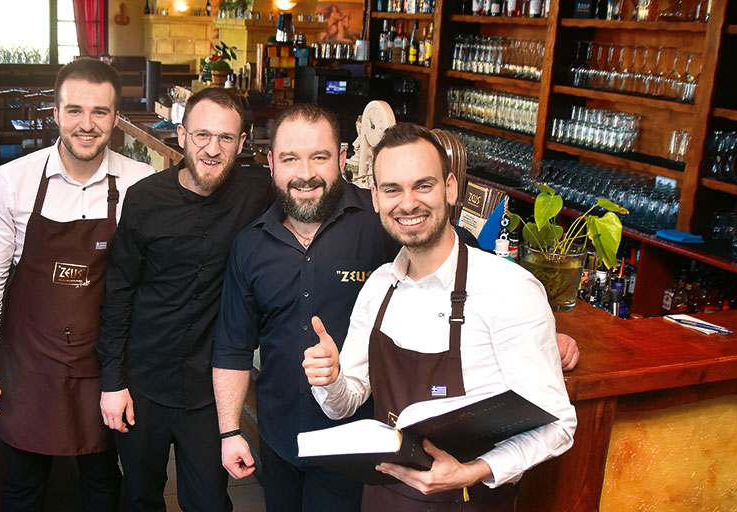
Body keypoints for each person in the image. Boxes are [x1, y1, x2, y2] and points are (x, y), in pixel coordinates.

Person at [212, 104, 578, 512]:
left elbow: (557, 423)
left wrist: (474, 470)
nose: (407, 205)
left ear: (451, 188)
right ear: (378, 197)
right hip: (371, 483)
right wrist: (329, 378)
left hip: (457, 498)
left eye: (423, 185)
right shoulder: (379, 287)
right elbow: (339, 395)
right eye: (392, 190)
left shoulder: (506, 289)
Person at [0, 58, 154, 511]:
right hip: (29, 361)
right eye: (74, 111)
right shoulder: (11, 182)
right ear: (55, 113)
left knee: (102, 481)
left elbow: (151, 288)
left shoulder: (141, 185)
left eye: (100, 112)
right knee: (23, 483)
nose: (86, 125)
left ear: (116, 117)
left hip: (103, 366)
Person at [212, 104, 399, 511]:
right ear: (271, 163)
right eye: (290, 158)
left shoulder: (383, 218)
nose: (306, 174)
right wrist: (230, 432)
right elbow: (232, 347)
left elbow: (457, 263)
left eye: (320, 157)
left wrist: (544, 324)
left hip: (358, 442)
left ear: (343, 159)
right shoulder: (250, 244)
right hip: (280, 438)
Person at [96, 87, 271, 512]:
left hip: (208, 391)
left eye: (226, 138)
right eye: (202, 135)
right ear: (181, 135)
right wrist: (112, 383)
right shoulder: (144, 199)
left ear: (243, 144)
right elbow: (118, 293)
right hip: (143, 382)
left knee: (210, 503)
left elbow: (312, 193)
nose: (213, 149)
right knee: (140, 496)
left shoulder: (258, 193)